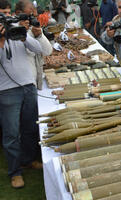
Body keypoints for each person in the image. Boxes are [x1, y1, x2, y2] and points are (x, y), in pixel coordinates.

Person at [0, 0, 43, 188]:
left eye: (8, 12)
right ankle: (15, 172)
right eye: (2, 13)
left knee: (30, 128)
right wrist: (1, 41)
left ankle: (28, 159)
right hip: (7, 89)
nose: (6, 16)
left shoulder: (17, 27)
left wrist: (24, 36)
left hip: (28, 85)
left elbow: (39, 49)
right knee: (11, 134)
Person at [14, 0, 52, 170]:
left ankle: (29, 156)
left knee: (29, 123)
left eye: (33, 12)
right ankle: (17, 163)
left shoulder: (32, 29)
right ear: (18, 13)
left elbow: (47, 51)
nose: (32, 15)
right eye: (29, 12)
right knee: (14, 128)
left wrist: (39, 34)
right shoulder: (13, 31)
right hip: (15, 84)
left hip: (30, 83)